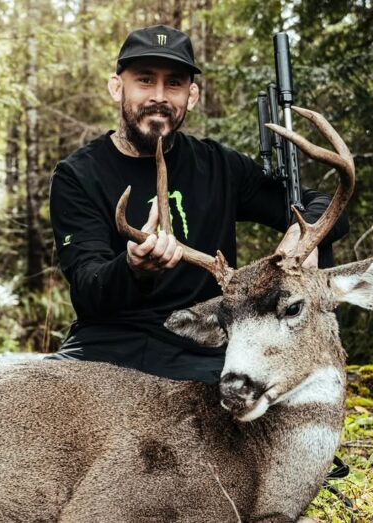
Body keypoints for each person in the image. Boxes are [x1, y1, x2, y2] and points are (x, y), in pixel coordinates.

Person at [47, 24, 348, 383]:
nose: (159, 95)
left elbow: (327, 208)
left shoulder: (219, 166)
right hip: (109, 345)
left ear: (191, 96)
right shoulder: (78, 175)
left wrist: (300, 232)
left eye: (173, 83)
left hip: (203, 344)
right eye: (144, 80)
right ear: (117, 87)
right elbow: (86, 286)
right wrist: (133, 268)